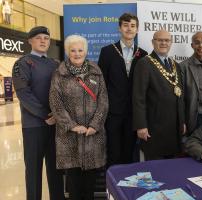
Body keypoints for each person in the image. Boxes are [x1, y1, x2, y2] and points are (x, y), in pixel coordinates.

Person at [49, 35, 108, 200]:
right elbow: (55, 103)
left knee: (90, 186)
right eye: (73, 50)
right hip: (69, 138)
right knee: (73, 184)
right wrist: (73, 126)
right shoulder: (59, 74)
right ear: (67, 52)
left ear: (86, 51)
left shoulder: (96, 72)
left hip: (92, 137)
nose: (77, 53)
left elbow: (103, 101)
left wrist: (95, 125)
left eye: (80, 50)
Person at [12, 26, 64, 200]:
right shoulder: (22, 63)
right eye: (39, 38)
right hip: (34, 125)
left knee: (56, 169)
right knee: (33, 169)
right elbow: (23, 93)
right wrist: (46, 115)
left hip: (56, 125)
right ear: (30, 41)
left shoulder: (56, 64)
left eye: (46, 38)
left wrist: (58, 115)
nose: (43, 41)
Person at [98, 13, 147, 166]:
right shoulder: (107, 52)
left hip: (133, 115)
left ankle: (125, 189)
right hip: (112, 114)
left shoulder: (143, 55)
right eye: (125, 25)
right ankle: (111, 188)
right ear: (119, 28)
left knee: (129, 154)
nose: (129, 29)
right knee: (113, 154)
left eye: (132, 26)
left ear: (137, 30)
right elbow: (101, 84)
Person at [133, 29, 185, 160]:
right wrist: (141, 126)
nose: (163, 43)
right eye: (159, 40)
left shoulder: (175, 65)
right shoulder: (144, 63)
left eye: (167, 40)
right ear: (153, 42)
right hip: (154, 128)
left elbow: (180, 96)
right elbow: (138, 97)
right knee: (155, 172)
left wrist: (182, 121)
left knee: (172, 170)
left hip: (174, 128)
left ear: (171, 43)